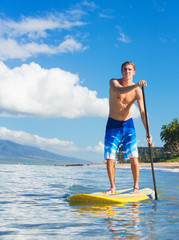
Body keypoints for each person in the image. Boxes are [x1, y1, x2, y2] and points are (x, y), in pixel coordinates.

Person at [104, 61, 152, 194]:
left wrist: (148, 132)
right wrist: (136, 85)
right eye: (124, 70)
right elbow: (119, 90)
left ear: (134, 72)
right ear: (121, 71)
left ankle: (136, 187)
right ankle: (113, 187)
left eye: (130, 70)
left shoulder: (137, 91)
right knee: (110, 157)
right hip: (112, 124)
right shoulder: (114, 83)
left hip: (128, 124)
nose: (127, 72)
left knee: (133, 156)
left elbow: (142, 112)